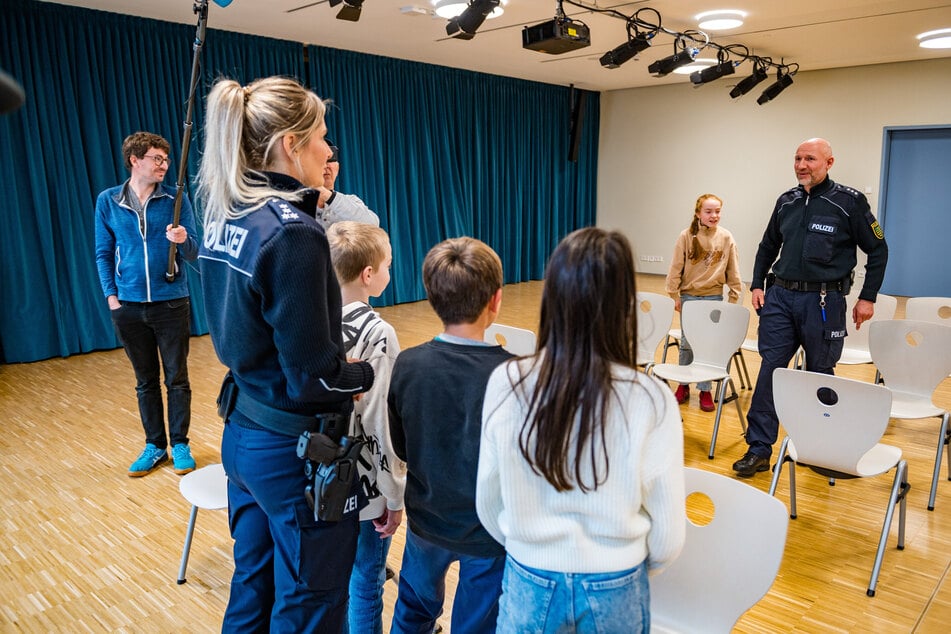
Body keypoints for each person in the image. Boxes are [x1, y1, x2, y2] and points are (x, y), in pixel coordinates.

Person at [196, 76, 375, 631]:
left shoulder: (226, 213)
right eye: (322, 136)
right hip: (291, 452)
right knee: (312, 601)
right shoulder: (293, 233)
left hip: (243, 432)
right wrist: (365, 369)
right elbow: (315, 376)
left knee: (253, 585)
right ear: (290, 145)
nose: (328, 151)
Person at [476, 227, 686, 633]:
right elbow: (667, 538)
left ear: (551, 297)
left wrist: (528, 544)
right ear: (625, 305)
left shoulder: (507, 382)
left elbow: (487, 499)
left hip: (529, 575)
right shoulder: (651, 397)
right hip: (617, 581)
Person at [734, 137, 888, 477]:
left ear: (829, 163)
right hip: (780, 299)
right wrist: (757, 284)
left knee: (819, 376)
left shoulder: (850, 202)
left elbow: (878, 250)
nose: (802, 165)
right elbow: (767, 245)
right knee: (771, 374)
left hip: (824, 302)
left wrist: (868, 297)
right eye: (798, 158)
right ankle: (759, 448)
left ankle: (823, 449)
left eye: (811, 159)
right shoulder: (786, 201)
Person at [388, 237, 512, 634]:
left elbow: (400, 444)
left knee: (413, 613)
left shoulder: (407, 365)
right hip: (489, 531)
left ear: (432, 297)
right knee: (477, 624)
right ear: (496, 301)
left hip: (427, 521)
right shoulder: (516, 376)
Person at [94, 131, 198, 477]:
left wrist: (183, 240)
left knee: (177, 378)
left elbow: (197, 250)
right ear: (134, 160)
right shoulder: (108, 201)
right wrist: (112, 297)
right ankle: (155, 445)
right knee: (145, 381)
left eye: (166, 159)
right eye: (157, 158)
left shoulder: (175, 199)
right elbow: (103, 253)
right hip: (128, 307)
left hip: (171, 303)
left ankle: (180, 443)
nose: (164, 165)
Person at [326, 221, 406, 634]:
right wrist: (393, 495)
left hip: (319, 478)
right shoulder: (379, 333)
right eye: (387, 265)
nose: (390, 273)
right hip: (363, 483)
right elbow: (379, 420)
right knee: (366, 582)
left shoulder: (311, 321)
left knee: (331, 582)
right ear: (368, 275)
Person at [664, 194, 742, 412]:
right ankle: (683, 384)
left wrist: (733, 298)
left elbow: (733, 270)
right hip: (689, 297)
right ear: (698, 213)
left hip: (713, 298)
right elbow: (675, 267)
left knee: (707, 346)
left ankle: (705, 389)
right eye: (708, 211)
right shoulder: (686, 236)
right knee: (688, 344)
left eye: (717, 211)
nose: (714, 215)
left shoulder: (726, 237)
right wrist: (674, 295)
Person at [314, 141, 380, 228]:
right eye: (319, 160)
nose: (326, 166)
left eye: (330, 160)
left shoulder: (351, 201)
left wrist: (328, 196)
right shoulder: (294, 203)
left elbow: (373, 224)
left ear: (338, 167)